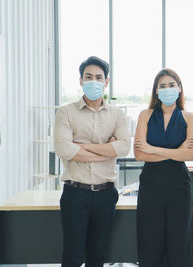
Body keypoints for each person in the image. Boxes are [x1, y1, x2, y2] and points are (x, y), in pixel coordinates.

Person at [54, 56, 131, 267]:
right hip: (75, 194)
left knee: (97, 257)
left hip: (106, 195)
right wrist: (108, 150)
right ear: (80, 80)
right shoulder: (65, 112)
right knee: (72, 257)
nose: (93, 81)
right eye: (88, 77)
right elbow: (63, 149)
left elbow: (124, 147)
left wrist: (82, 146)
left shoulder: (117, 114)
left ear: (106, 81)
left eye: (99, 77)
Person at [134, 68, 193, 267]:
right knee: (150, 241)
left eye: (171, 85)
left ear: (179, 89)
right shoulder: (145, 115)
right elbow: (139, 154)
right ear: (156, 91)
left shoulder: (189, 117)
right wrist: (176, 151)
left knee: (180, 241)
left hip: (179, 185)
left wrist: (152, 149)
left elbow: (191, 155)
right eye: (162, 86)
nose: (167, 89)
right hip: (150, 185)